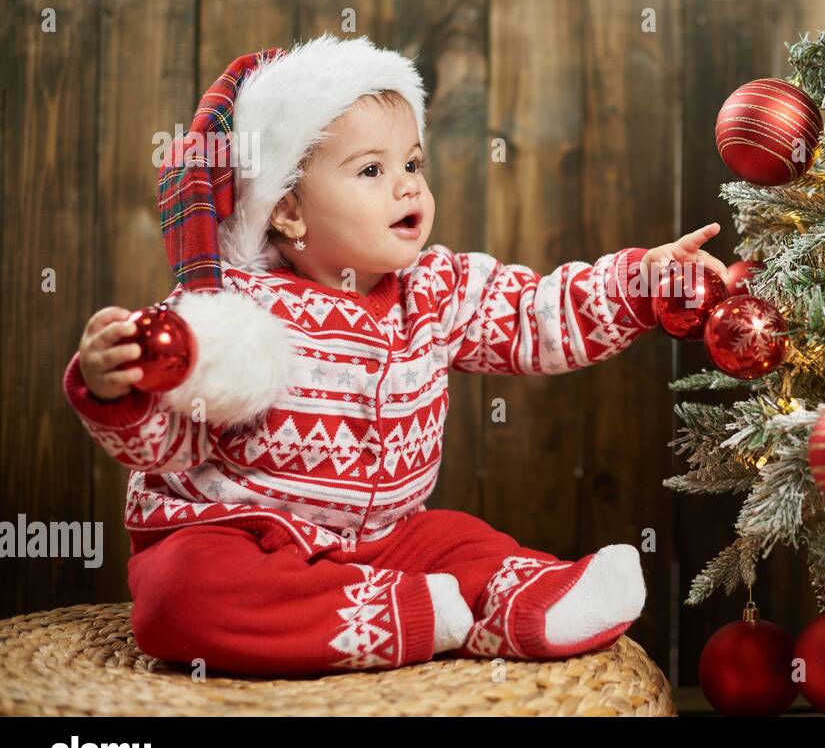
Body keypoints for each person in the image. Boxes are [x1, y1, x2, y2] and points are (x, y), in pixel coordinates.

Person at [63, 34, 727, 675]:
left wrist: (641, 284)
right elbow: (170, 446)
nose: (408, 187)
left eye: (413, 163)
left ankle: (532, 598)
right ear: (288, 209)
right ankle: (399, 617)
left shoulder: (435, 289)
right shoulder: (231, 314)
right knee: (183, 593)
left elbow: (537, 314)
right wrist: (120, 388)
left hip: (383, 537)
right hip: (239, 535)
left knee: (459, 539)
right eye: (372, 170)